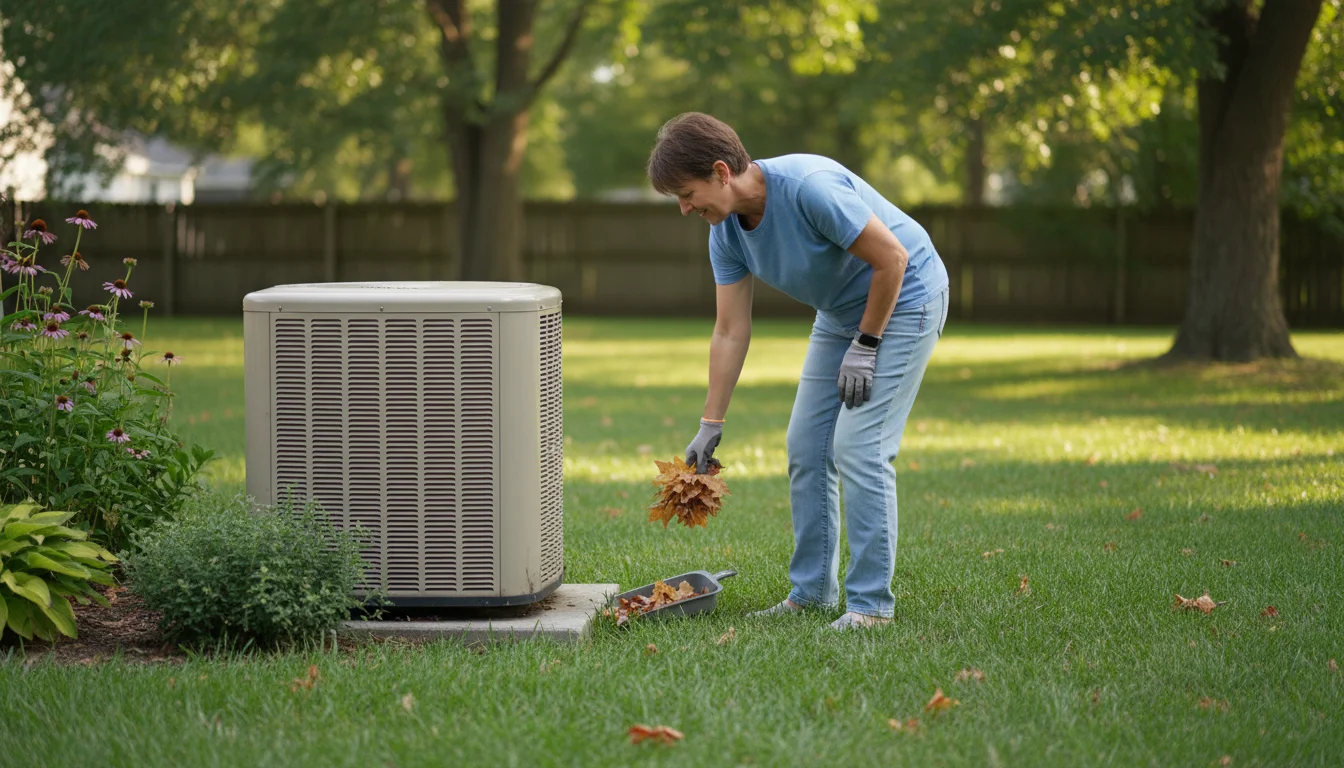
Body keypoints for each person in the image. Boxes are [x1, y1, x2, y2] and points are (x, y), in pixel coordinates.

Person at [647, 112, 949, 630]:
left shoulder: (808, 189)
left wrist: (868, 343)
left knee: (859, 445)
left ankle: (871, 605)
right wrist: (710, 422)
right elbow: (729, 330)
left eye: (686, 193)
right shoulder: (726, 233)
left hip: (905, 299)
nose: (683, 208)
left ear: (721, 172)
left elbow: (893, 259)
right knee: (806, 447)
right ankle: (811, 593)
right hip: (840, 315)